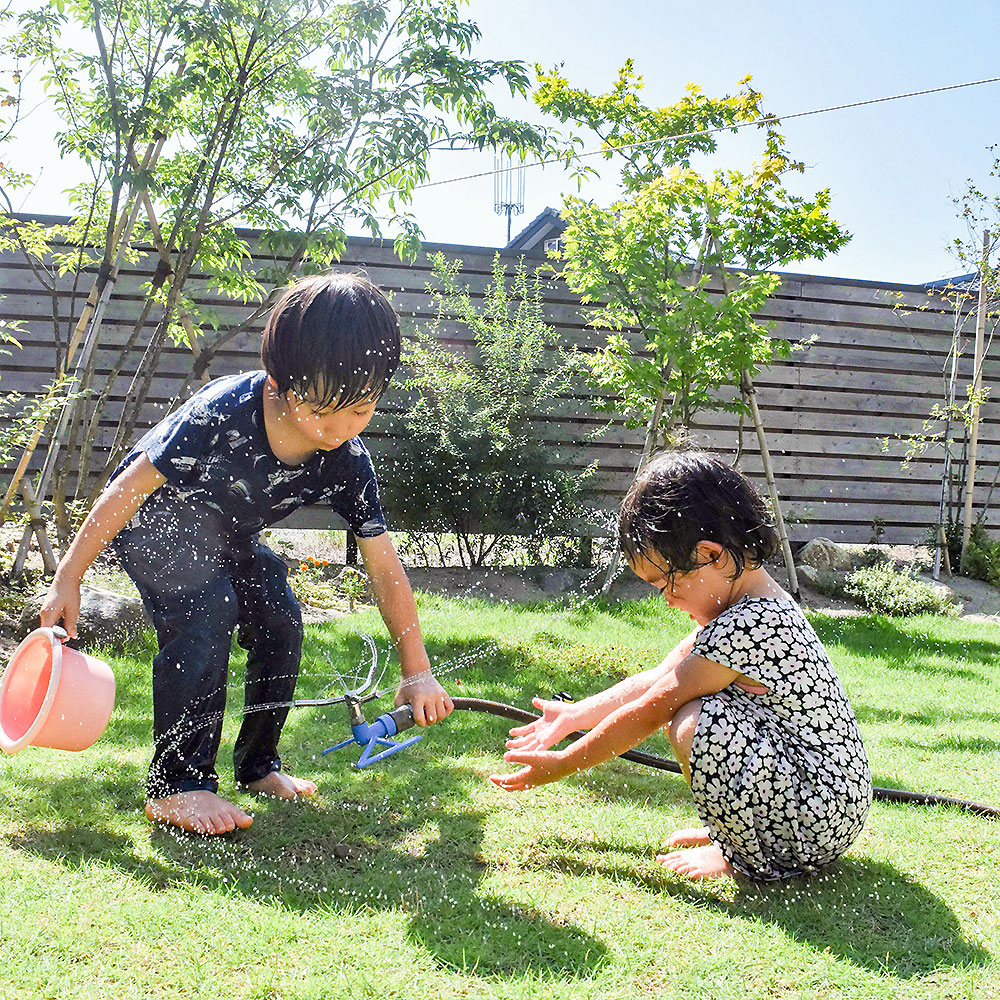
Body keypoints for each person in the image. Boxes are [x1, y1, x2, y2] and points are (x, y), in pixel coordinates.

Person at [40, 273, 453, 836]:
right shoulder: (221, 412)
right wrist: (68, 577)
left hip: (225, 536)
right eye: (322, 410)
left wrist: (418, 671)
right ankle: (177, 786)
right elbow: (127, 489)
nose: (337, 430)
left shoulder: (347, 460)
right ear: (281, 382)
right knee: (206, 610)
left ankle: (258, 766)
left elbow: (383, 565)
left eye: (359, 412)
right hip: (152, 523)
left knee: (281, 617)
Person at [491, 451, 872, 881]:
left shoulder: (750, 624)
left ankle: (741, 857)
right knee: (696, 714)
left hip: (816, 815)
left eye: (665, 583)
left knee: (694, 722)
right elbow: (659, 676)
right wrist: (576, 714)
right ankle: (736, 838)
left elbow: (654, 706)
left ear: (710, 556)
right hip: (823, 804)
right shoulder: (750, 607)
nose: (667, 600)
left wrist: (564, 763)